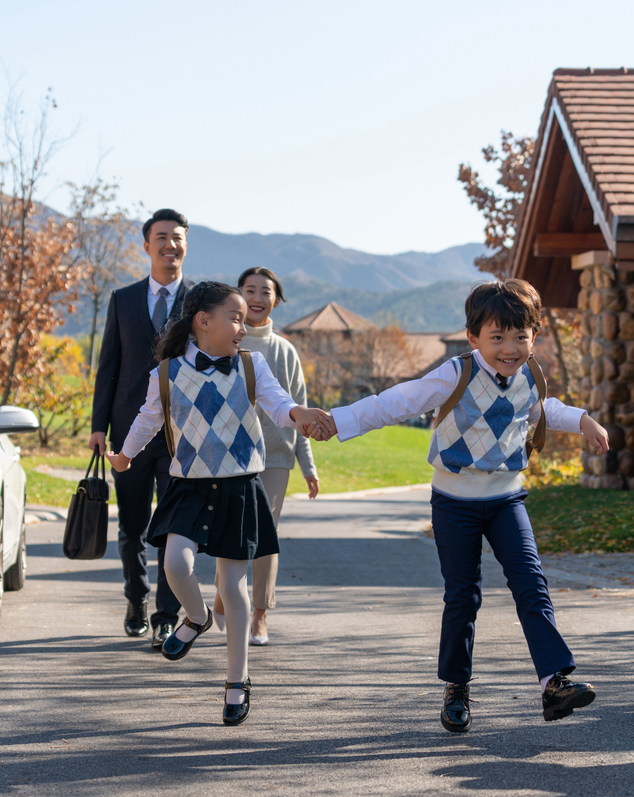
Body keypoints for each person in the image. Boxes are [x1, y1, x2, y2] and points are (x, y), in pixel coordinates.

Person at [313, 280, 608, 733]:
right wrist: (340, 421)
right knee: (462, 597)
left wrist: (582, 419)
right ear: (473, 337)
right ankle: (456, 687)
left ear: (536, 333)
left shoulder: (531, 375)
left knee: (532, 585)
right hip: (454, 503)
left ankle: (554, 682)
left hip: (507, 498)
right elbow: (397, 402)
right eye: (497, 338)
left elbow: (540, 410)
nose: (509, 348)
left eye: (520, 336)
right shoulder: (456, 374)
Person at [105, 281, 332, 725]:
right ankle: (196, 616)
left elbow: (278, 402)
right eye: (235, 318)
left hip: (239, 486)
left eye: (245, 320)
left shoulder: (252, 366)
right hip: (189, 485)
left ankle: (236, 681)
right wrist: (125, 454)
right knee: (175, 565)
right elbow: (149, 418)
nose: (242, 328)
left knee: (234, 587)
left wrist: (300, 415)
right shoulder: (166, 374)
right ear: (202, 321)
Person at [89, 209, 195, 648]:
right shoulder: (122, 299)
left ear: (186, 245)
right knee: (132, 526)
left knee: (171, 528)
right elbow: (108, 367)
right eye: (162, 237)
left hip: (180, 434)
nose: (170, 245)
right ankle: (136, 599)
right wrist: (98, 427)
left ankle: (165, 616)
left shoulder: (199, 301)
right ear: (146, 245)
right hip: (127, 432)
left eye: (178, 238)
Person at [212, 266, 319, 645]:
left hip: (275, 456)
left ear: (277, 299)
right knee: (230, 530)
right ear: (238, 295)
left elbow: (299, 409)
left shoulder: (284, 351)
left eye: (265, 292)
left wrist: (308, 466)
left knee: (265, 535)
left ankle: (259, 615)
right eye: (250, 290)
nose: (257, 298)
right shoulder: (223, 344)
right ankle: (225, 595)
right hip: (229, 454)